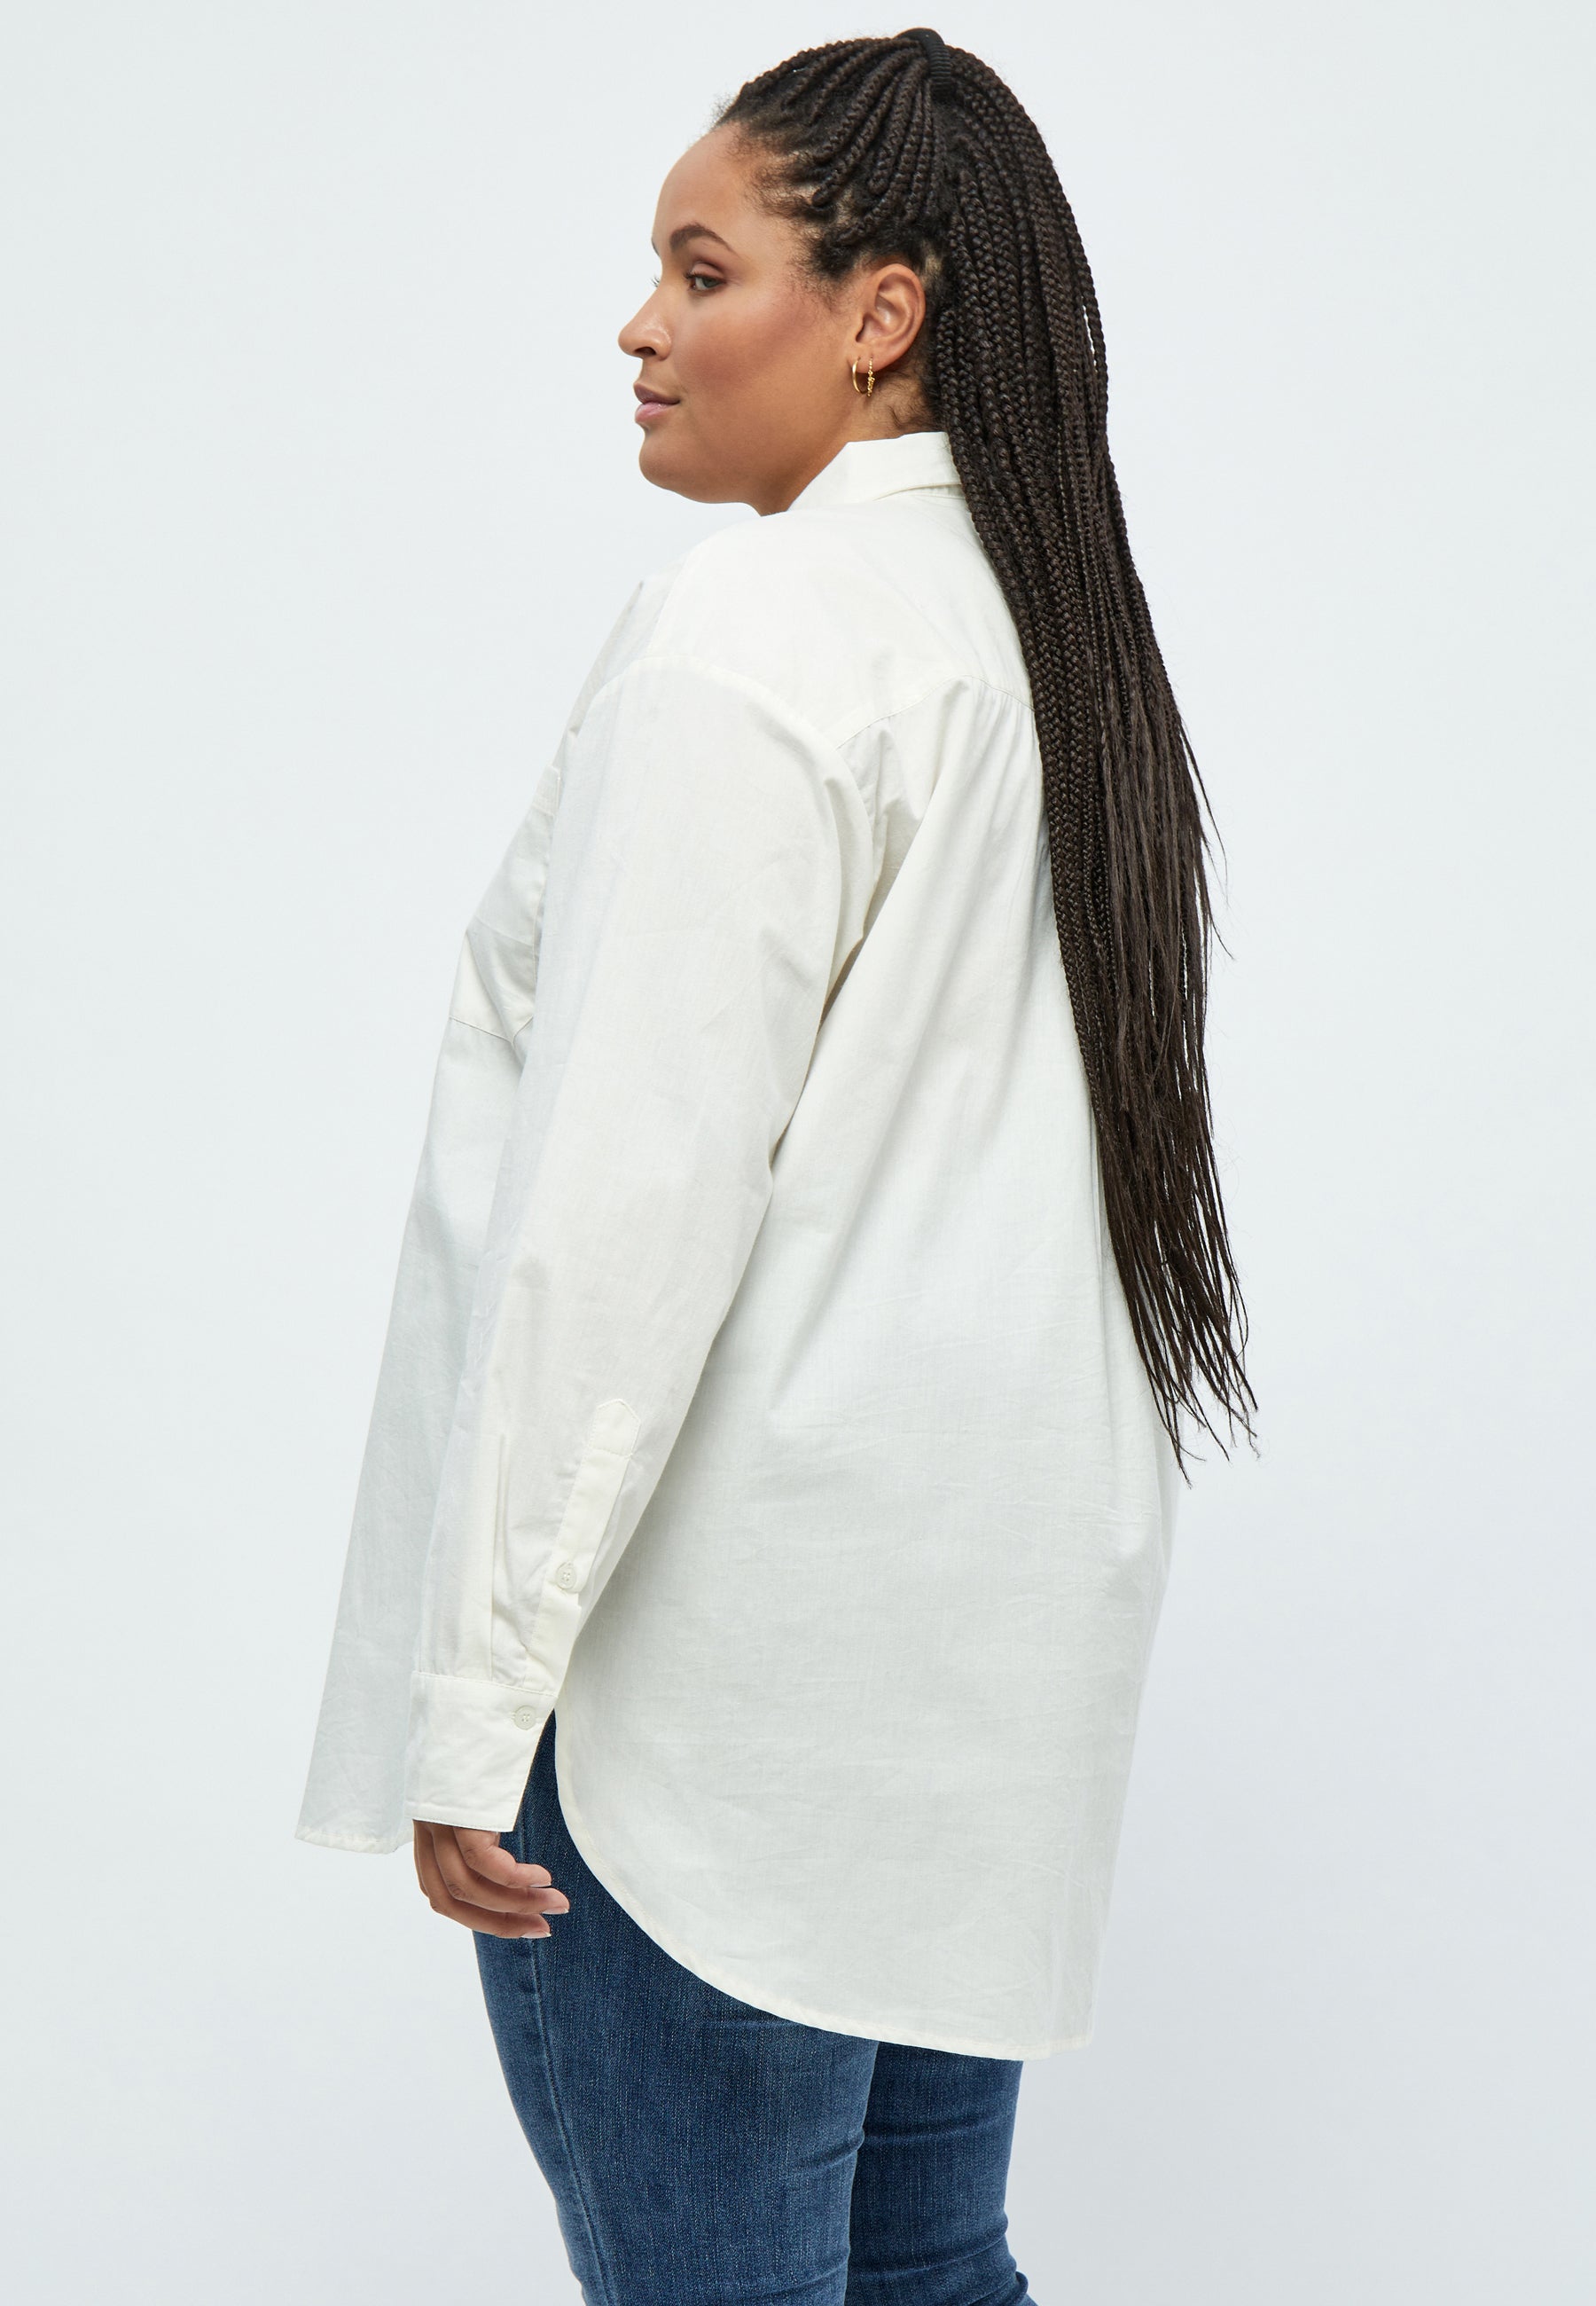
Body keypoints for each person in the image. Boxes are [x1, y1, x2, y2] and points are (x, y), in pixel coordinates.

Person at [297, 27, 1254, 2304]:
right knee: (931, 2271)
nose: (641, 324)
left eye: (702, 268)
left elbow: (621, 1213)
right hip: (967, 1698)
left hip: (707, 1714)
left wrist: (474, 1692)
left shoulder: (756, 633)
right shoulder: (1051, 644)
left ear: (881, 312)